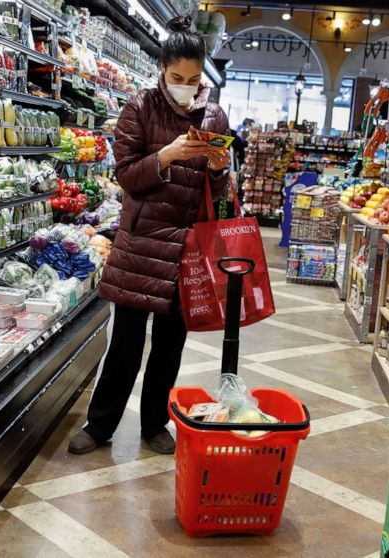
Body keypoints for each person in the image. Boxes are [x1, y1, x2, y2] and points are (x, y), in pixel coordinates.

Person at [67, 15, 231, 455]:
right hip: (141, 245)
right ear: (161, 68)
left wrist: (219, 169)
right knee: (125, 345)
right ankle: (100, 426)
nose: (186, 86)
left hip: (187, 250)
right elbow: (126, 177)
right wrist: (167, 154)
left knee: (169, 347)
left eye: (194, 79)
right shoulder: (139, 107)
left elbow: (219, 194)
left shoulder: (214, 115)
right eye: (177, 77)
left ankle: (154, 423)